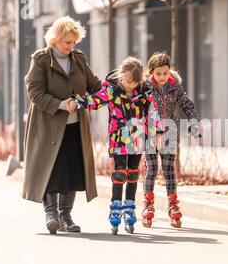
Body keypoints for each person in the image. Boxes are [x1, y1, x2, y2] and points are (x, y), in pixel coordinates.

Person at [22, 16, 102, 234]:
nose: (71, 46)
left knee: (73, 170)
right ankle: (51, 213)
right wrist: (60, 104)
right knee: (50, 168)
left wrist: (111, 91)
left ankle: (66, 216)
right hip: (48, 126)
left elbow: (94, 85)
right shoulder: (40, 59)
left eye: (74, 42)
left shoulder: (78, 58)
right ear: (55, 39)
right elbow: (34, 92)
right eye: (67, 42)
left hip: (75, 125)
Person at [74, 57, 161, 235]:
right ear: (121, 76)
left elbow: (153, 111)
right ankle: (115, 207)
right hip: (119, 138)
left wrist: (157, 129)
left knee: (133, 173)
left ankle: (129, 207)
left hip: (137, 139)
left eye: (134, 83)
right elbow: (95, 100)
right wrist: (78, 101)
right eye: (127, 81)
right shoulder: (111, 90)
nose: (130, 86)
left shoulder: (144, 92)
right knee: (120, 173)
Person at [142, 52, 201, 228]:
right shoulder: (145, 87)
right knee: (151, 168)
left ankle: (173, 203)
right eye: (158, 73)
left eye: (165, 73)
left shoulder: (175, 87)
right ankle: (148, 203)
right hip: (151, 133)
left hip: (170, 133)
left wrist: (193, 123)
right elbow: (137, 107)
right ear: (151, 72)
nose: (162, 77)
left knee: (168, 169)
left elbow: (188, 105)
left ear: (170, 71)